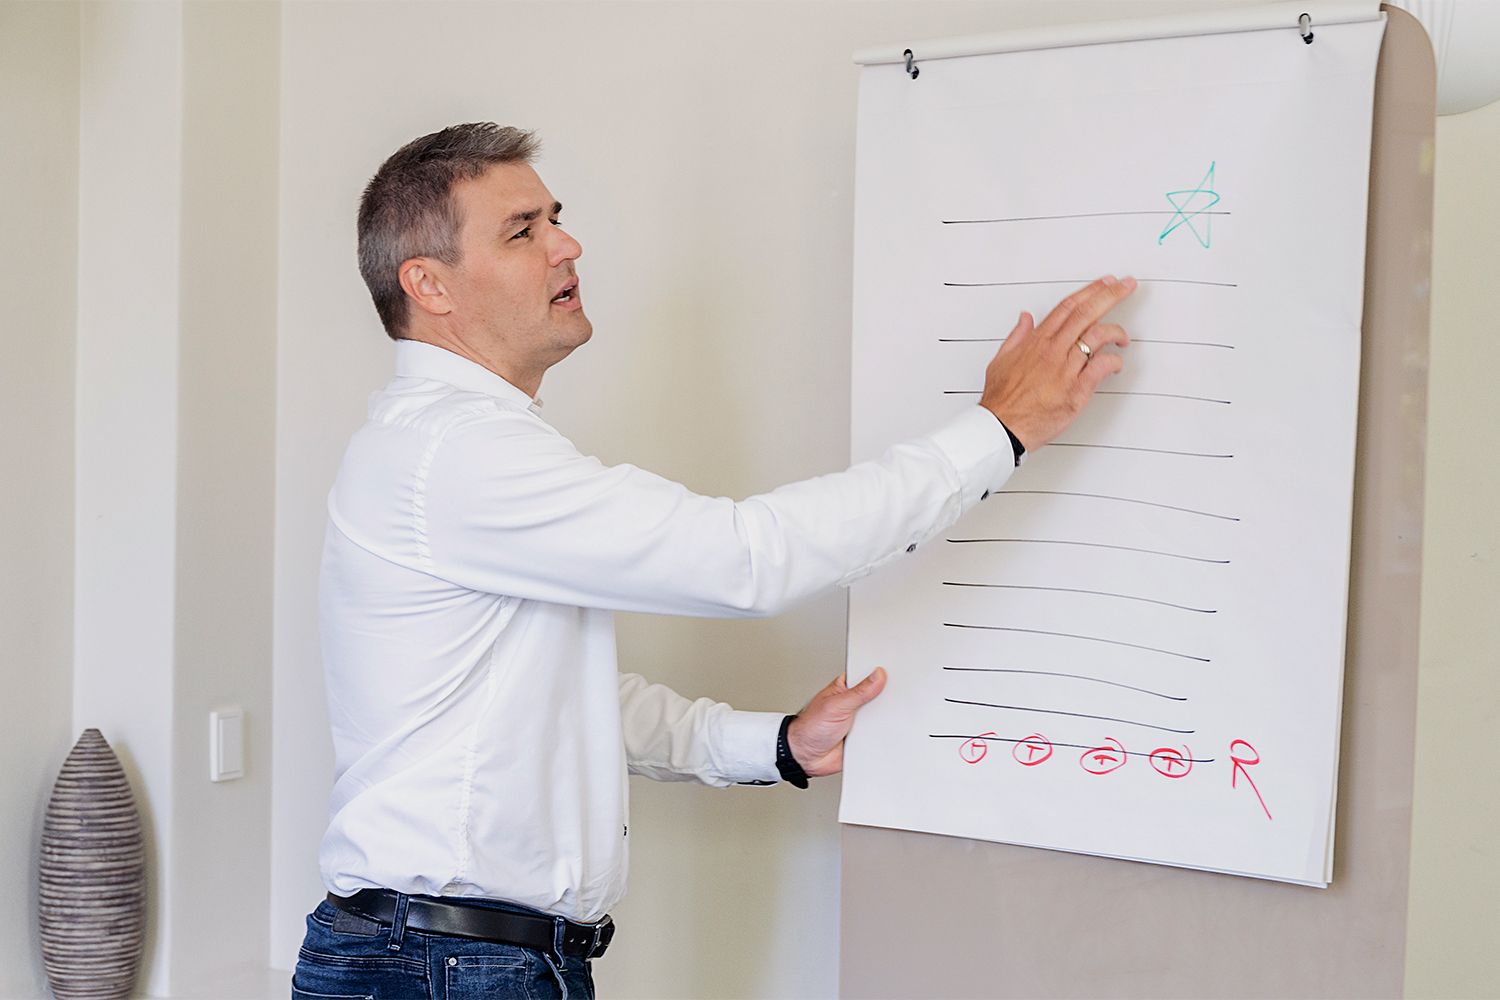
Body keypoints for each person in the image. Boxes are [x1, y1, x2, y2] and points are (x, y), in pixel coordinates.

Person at [292, 122, 1133, 1000]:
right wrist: (999, 430)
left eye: (555, 219)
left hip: (454, 961)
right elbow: (748, 559)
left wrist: (777, 745)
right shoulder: (456, 456)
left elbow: (556, 700)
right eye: (522, 231)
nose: (566, 246)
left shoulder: (456, 451)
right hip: (441, 967)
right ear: (428, 285)